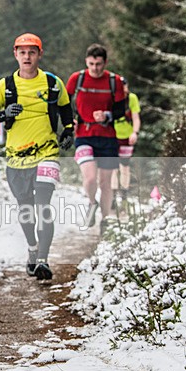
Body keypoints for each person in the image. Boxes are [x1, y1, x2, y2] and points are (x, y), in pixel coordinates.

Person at [0, 33, 74, 281]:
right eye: (22, 52)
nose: (27, 57)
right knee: (26, 210)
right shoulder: (5, 86)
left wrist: (69, 131)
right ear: (15, 54)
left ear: (39, 54)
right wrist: (4, 114)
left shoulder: (53, 83)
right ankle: (33, 249)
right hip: (16, 158)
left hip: (47, 153)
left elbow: (66, 108)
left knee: (43, 205)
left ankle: (43, 260)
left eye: (32, 52)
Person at [66, 43, 127, 233]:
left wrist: (107, 116)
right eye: (91, 64)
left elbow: (121, 110)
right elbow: (64, 103)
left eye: (99, 64)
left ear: (105, 63)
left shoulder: (114, 81)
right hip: (84, 135)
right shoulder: (77, 79)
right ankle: (92, 203)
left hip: (107, 137)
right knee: (91, 178)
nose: (95, 68)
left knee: (106, 183)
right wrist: (70, 120)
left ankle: (105, 221)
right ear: (86, 62)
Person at [111, 78, 141, 209]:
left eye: (124, 86)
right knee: (112, 167)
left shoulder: (131, 98)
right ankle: (112, 196)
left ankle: (123, 195)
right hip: (111, 135)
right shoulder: (110, 98)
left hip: (126, 136)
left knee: (124, 166)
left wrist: (135, 132)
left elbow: (136, 117)